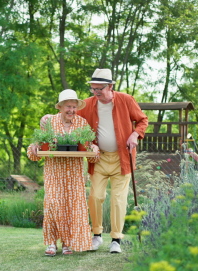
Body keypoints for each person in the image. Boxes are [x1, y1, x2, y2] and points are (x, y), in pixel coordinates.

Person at [41, 69, 149, 253]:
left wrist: (135, 134)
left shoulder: (126, 100)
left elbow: (142, 120)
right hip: (98, 158)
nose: (96, 92)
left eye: (99, 88)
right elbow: (68, 115)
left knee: (118, 200)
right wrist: (48, 118)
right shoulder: (89, 104)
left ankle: (116, 240)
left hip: (122, 158)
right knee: (95, 197)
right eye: (93, 89)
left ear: (110, 86)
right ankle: (97, 235)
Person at [28, 89, 100, 256]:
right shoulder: (49, 122)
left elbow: (90, 151)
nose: (71, 110)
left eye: (74, 107)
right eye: (68, 106)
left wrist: (94, 149)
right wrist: (34, 148)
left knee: (71, 206)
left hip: (74, 173)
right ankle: (51, 243)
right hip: (54, 172)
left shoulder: (82, 123)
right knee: (53, 205)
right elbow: (36, 149)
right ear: (60, 107)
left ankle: (68, 242)